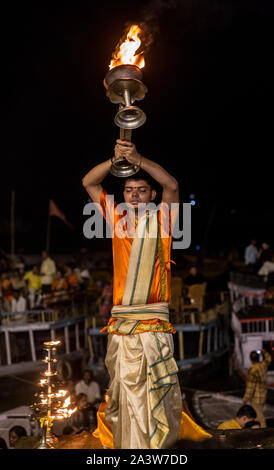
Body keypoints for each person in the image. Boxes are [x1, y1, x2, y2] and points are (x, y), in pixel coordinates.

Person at [82, 139, 182, 449]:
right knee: (124, 395)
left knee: (157, 397)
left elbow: (173, 185)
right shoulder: (118, 221)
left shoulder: (163, 222)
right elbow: (90, 181)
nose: (135, 195)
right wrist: (116, 160)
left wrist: (138, 158)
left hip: (154, 324)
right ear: (122, 196)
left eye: (141, 190)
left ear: (152, 195)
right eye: (128, 190)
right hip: (122, 327)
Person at [243, 349, 272, 427]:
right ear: (259, 358)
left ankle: (263, 432)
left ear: (250, 358)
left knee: (259, 417)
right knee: (259, 414)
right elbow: (269, 358)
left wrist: (246, 398)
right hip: (263, 394)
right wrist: (264, 351)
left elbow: (250, 386)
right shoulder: (263, 365)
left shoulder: (252, 369)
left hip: (256, 397)